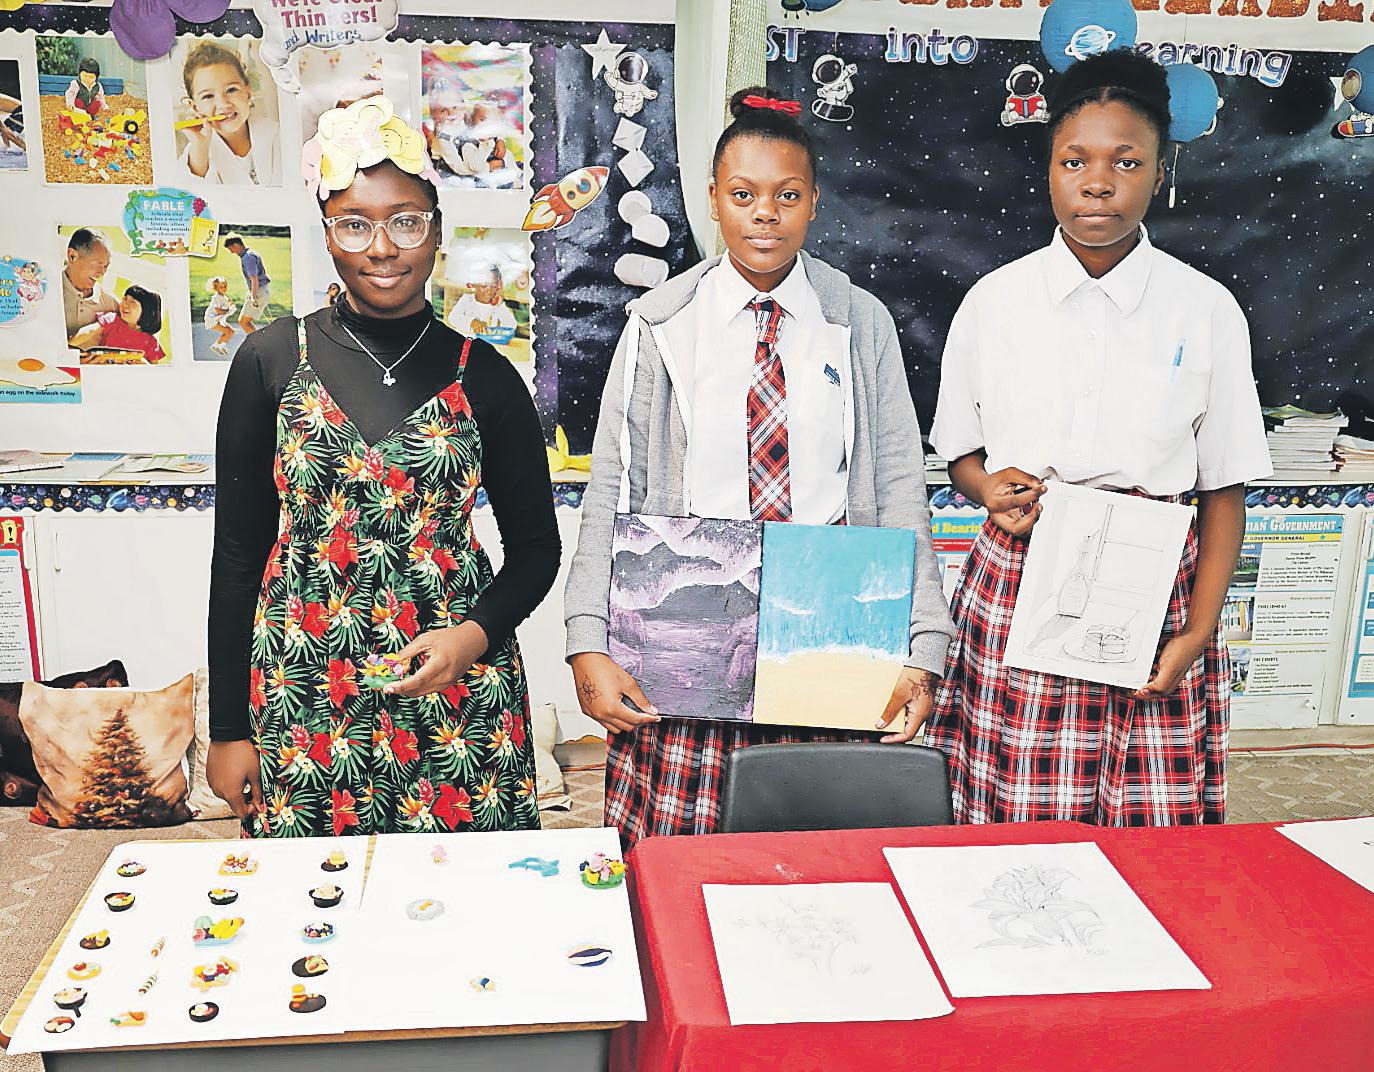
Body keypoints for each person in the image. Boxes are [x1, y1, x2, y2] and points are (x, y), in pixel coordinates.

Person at [564, 87, 954, 848]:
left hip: (827, 628)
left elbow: (901, 487)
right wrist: (588, 638)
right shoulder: (660, 324)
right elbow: (611, 487)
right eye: (743, 195)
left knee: (814, 859)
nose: (765, 214)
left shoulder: (859, 322)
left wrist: (923, 644)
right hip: (689, 632)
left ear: (814, 203)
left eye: (787, 195)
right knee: (686, 860)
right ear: (713, 200)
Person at [924, 50, 1272, 827]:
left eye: (1127, 161)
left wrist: (1198, 630)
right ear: (1048, 170)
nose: (1098, 182)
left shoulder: (1204, 309)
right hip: (1019, 581)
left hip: (1158, 592)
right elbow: (963, 458)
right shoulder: (995, 302)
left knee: (1148, 832)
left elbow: (1223, 489)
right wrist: (988, 488)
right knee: (1013, 826)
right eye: (1074, 160)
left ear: (1160, 171)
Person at [206, 96, 559, 837]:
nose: (382, 248)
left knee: (465, 891)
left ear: (436, 229)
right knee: (309, 894)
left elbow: (536, 550)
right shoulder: (270, 359)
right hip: (304, 685)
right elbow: (238, 555)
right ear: (327, 232)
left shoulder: (486, 375)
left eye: (405, 221)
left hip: (458, 687)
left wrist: (471, 636)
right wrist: (229, 730)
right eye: (355, 223)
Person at [177, 41, 280, 186]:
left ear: (248, 92)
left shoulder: (276, 133)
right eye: (208, 96)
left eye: (231, 90)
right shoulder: (197, 152)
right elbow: (190, 189)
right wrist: (200, 147)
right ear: (195, 107)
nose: (223, 103)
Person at [70, 284, 164, 363]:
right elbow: (89, 331)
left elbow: (156, 370)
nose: (125, 304)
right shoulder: (113, 320)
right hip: (103, 370)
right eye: (125, 299)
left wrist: (146, 365)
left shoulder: (151, 342)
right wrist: (68, 345)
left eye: (132, 302)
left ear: (147, 311)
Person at [61, 228, 117, 339]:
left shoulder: (111, 305)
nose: (102, 273)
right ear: (72, 256)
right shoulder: (48, 291)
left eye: (105, 266)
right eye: (98, 264)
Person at [445, 261, 515, 340]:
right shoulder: (467, 300)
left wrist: (500, 306)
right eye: (484, 286)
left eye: (493, 285)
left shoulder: (497, 305)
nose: (489, 290)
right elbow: (452, 317)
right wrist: (471, 322)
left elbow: (512, 325)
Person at [223, 233, 269, 336]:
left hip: (258, 292)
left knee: (243, 322)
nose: (231, 252)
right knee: (244, 321)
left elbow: (254, 279)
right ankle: (258, 343)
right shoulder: (251, 254)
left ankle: (259, 344)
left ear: (236, 245)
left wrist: (253, 297)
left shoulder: (247, 257)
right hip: (261, 290)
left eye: (230, 249)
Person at [204, 275, 236, 356]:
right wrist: (227, 310)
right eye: (221, 287)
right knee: (227, 331)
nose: (224, 288)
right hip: (212, 318)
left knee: (231, 331)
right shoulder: (215, 298)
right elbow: (218, 310)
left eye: (225, 286)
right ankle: (216, 345)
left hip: (218, 318)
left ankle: (220, 345)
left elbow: (226, 308)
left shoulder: (224, 297)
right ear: (216, 288)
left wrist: (230, 304)